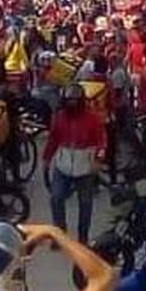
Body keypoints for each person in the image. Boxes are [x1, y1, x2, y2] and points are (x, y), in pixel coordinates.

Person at [43, 84, 106, 244]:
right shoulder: (60, 117)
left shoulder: (92, 118)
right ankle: (60, 234)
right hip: (63, 167)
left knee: (85, 204)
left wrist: (98, 160)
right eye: (69, 100)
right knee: (56, 198)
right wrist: (46, 159)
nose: (71, 103)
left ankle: (83, 237)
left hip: (85, 169)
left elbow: (102, 141)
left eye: (74, 100)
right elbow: (53, 139)